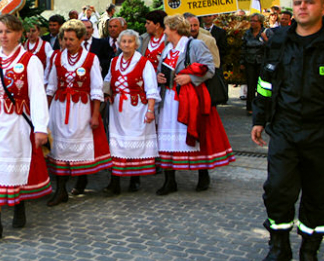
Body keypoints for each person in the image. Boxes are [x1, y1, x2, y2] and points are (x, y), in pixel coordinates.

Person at [252, 0, 324, 261]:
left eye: (309, 2)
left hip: (323, 133)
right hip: (285, 130)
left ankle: (309, 254)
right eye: (298, 3)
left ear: (323, 7)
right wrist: (259, 119)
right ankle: (279, 248)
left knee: (317, 197)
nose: (303, 7)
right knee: (277, 190)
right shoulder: (279, 40)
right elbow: (265, 81)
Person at [0, 14, 51, 245]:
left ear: (19, 34)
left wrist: (41, 128)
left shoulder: (30, 61)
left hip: (15, 125)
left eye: (8, 32)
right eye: (0, 31)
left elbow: (37, 95)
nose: (3, 36)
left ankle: (19, 205)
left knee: (13, 172)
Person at [155, 15, 235, 195]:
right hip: (169, 98)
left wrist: (190, 77)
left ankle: (203, 175)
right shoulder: (168, 48)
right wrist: (159, 77)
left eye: (166, 27)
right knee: (168, 138)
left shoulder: (195, 45)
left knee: (194, 133)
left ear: (174, 28)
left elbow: (210, 68)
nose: (164, 31)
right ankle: (170, 180)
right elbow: (162, 70)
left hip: (188, 98)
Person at [45, 19, 109, 204]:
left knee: (78, 146)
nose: (67, 43)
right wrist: (45, 113)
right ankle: (61, 190)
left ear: (81, 39)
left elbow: (97, 88)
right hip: (59, 107)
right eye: (65, 39)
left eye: (71, 39)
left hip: (80, 109)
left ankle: (81, 180)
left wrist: (95, 114)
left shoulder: (91, 59)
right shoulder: (56, 57)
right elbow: (51, 86)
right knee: (58, 148)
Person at [105, 29, 159, 194]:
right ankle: (114, 183)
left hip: (137, 110)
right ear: (119, 44)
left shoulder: (144, 63)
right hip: (117, 111)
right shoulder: (114, 62)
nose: (126, 44)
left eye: (130, 41)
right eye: (124, 41)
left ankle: (135, 178)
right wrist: (106, 93)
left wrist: (150, 111)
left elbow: (151, 89)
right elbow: (108, 80)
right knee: (116, 144)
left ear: (136, 44)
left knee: (134, 144)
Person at [241, 13, 268, 115]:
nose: (252, 23)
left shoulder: (266, 32)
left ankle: (262, 108)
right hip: (250, 62)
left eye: (254, 21)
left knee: (262, 86)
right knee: (251, 86)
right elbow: (243, 48)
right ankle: (250, 108)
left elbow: (271, 47)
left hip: (262, 62)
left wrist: (265, 40)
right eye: (251, 21)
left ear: (260, 22)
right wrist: (242, 62)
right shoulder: (247, 33)